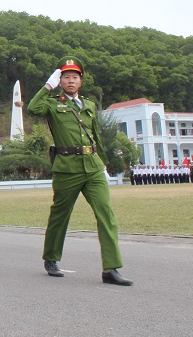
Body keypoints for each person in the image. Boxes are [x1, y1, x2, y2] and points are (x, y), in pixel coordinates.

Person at [28, 56, 132, 286]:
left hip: (92, 167)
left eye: (75, 77)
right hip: (67, 168)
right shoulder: (53, 104)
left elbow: (97, 137)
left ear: (81, 81)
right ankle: (51, 258)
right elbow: (33, 108)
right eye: (66, 77)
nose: (71, 81)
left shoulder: (90, 105)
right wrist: (47, 86)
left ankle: (111, 268)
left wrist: (103, 163)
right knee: (60, 215)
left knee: (106, 214)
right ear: (60, 81)